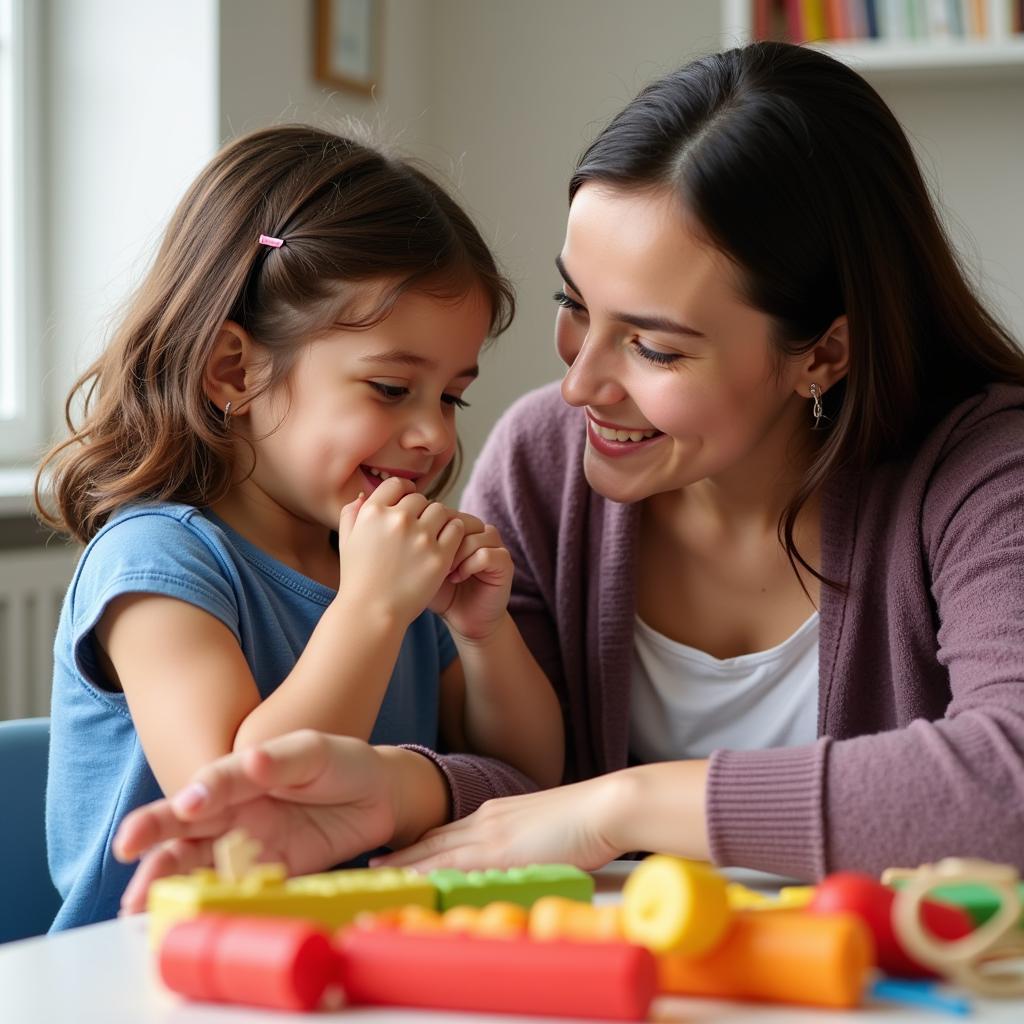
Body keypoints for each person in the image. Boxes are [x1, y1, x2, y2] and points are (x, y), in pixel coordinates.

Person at [113, 40, 1024, 908]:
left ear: (821, 354)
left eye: (655, 347)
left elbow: (1007, 780)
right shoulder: (544, 462)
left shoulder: (983, 475)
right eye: (573, 307)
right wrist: (401, 787)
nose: (579, 385)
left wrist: (619, 806)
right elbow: (515, 789)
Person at [36, 125, 563, 931]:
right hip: (159, 973)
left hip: (356, 961)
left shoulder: (382, 561)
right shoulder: (157, 563)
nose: (434, 436)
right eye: (391, 388)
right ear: (234, 371)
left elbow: (529, 780)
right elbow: (236, 799)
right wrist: (372, 611)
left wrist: (485, 635)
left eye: (452, 396)